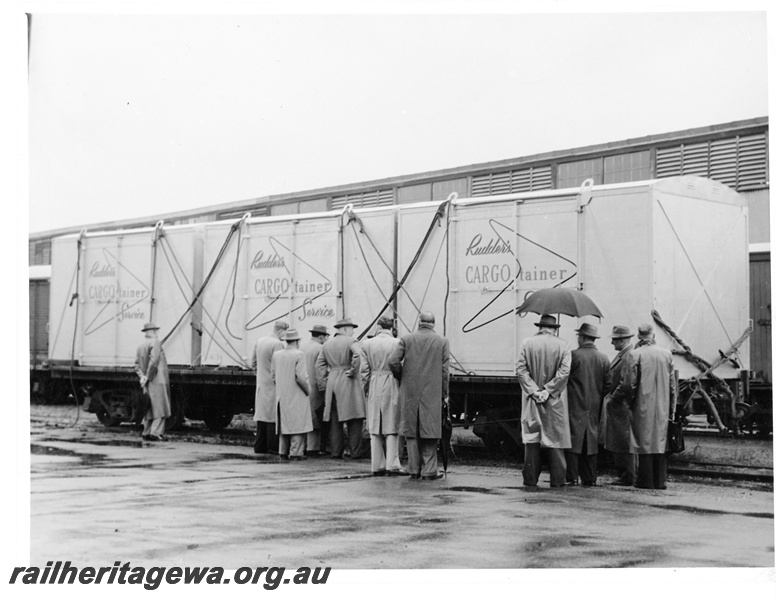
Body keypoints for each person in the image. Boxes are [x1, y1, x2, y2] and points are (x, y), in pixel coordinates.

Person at [388, 312, 450, 481]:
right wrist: (444, 392)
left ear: (419, 322)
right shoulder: (442, 341)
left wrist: (402, 377)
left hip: (409, 391)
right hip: (431, 392)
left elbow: (393, 361)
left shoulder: (406, 339)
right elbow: (445, 371)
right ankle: (429, 471)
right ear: (433, 323)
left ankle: (414, 469)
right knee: (429, 430)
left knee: (411, 431)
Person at [515, 314, 572, 488]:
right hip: (554, 400)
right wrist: (548, 391)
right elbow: (564, 373)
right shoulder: (564, 345)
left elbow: (521, 371)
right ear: (555, 329)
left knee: (532, 439)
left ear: (540, 327)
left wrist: (535, 391)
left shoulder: (527, 343)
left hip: (533, 400)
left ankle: (530, 479)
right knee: (555, 440)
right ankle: (558, 480)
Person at [627, 323, 677, 490]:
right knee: (660, 440)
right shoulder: (667, 354)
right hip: (662, 404)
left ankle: (645, 481)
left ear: (639, 337)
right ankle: (660, 480)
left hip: (642, 403)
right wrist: (673, 407)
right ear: (653, 335)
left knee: (644, 440)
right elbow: (672, 385)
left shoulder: (635, 355)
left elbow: (631, 384)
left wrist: (629, 402)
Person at [565, 323, 611, 486]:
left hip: (575, 403)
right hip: (594, 404)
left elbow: (564, 379)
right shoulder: (604, 358)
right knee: (591, 442)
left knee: (573, 440)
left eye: (579, 336)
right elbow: (608, 385)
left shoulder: (573, 356)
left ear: (583, 338)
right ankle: (590, 477)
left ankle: (571, 477)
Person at [361, 316, 407, 476]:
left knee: (375, 425)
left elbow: (364, 371)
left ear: (378, 326)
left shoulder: (366, 344)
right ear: (390, 328)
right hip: (391, 381)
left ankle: (377, 465)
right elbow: (400, 365)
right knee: (391, 424)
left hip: (374, 381)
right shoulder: (397, 342)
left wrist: (366, 388)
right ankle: (392, 464)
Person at [315, 318, 367, 459]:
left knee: (335, 420)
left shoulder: (326, 345)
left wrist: (324, 384)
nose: (353, 331)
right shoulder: (352, 341)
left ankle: (335, 452)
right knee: (355, 418)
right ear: (345, 329)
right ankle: (355, 452)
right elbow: (357, 354)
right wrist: (353, 370)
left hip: (332, 381)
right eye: (351, 328)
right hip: (348, 381)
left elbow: (319, 366)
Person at [600, 325, 637, 486]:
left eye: (614, 340)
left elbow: (626, 384)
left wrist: (614, 398)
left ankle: (629, 475)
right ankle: (626, 474)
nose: (612, 343)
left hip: (621, 406)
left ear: (623, 340)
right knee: (621, 441)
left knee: (624, 442)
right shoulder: (625, 354)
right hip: (620, 406)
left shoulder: (628, 355)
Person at [271, 329, 313, 460]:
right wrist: (308, 390)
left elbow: (273, 375)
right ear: (297, 341)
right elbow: (301, 377)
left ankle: (282, 451)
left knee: (284, 424)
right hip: (297, 394)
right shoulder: (299, 355)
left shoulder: (277, 355)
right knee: (297, 424)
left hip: (281, 394)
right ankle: (296, 452)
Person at [252, 320, 288, 454]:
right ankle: (272, 446)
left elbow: (254, 362)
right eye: (285, 332)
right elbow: (279, 365)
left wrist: (259, 375)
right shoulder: (277, 344)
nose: (285, 336)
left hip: (261, 384)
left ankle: (259, 446)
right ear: (280, 330)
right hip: (273, 384)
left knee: (261, 416)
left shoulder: (260, 341)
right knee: (273, 416)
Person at [134, 322, 171, 442]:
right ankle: (156, 433)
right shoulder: (155, 342)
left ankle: (146, 432)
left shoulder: (140, 346)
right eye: (156, 330)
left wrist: (142, 377)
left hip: (146, 382)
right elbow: (154, 361)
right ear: (153, 332)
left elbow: (136, 365)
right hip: (157, 379)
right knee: (161, 408)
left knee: (149, 407)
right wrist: (148, 376)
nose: (157, 333)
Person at [301, 325, 329, 456]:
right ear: (322, 336)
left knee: (305, 415)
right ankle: (313, 448)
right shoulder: (320, 348)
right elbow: (321, 369)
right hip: (316, 387)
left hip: (303, 386)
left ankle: (303, 446)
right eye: (326, 336)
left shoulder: (302, 347)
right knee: (316, 418)